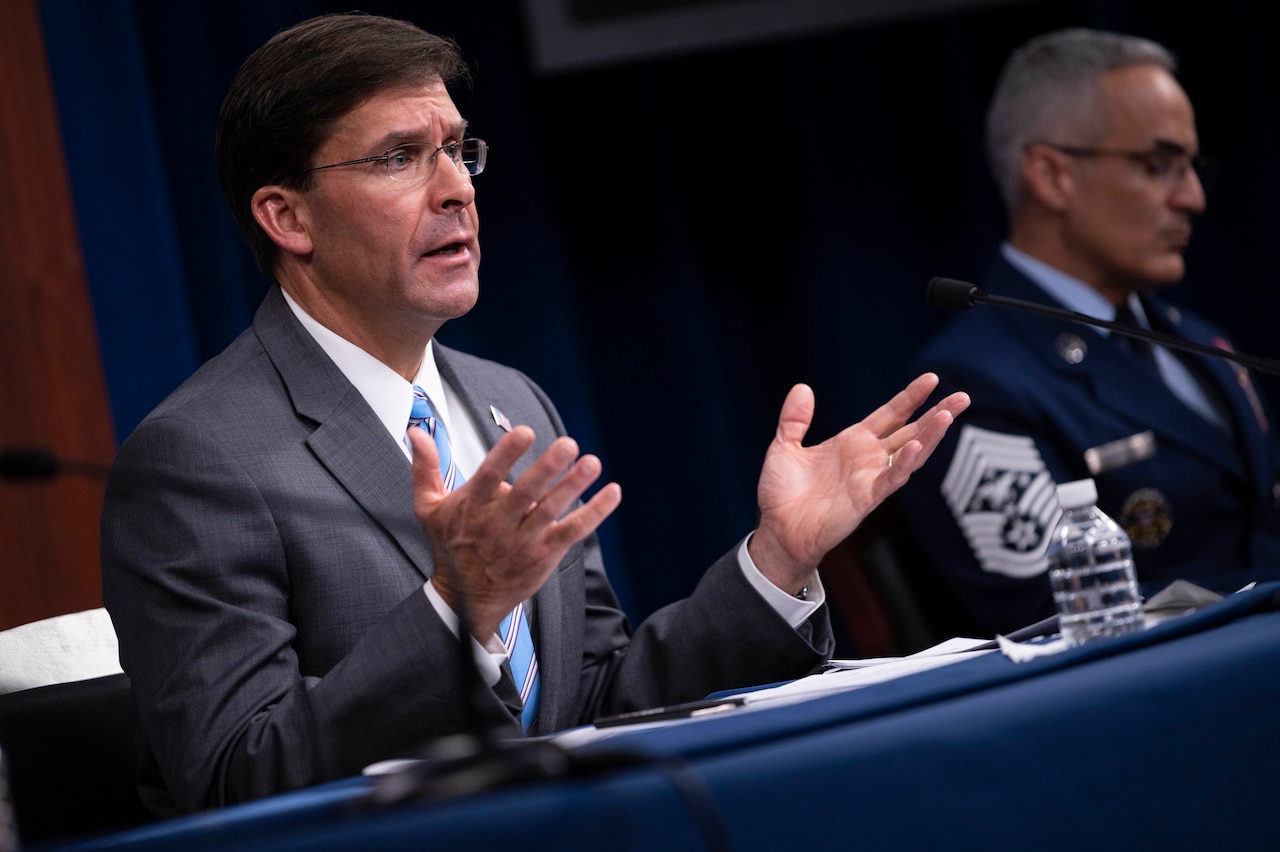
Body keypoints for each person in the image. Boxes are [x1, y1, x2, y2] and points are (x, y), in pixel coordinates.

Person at [100, 13, 969, 816]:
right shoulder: (200, 459)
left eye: (456, 151)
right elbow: (233, 782)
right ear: (286, 216)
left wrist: (777, 560)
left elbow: (593, 703)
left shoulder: (509, 401)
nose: (456, 191)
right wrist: (455, 609)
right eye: (399, 158)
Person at [900, 28, 1280, 637]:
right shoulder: (975, 388)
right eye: (1159, 166)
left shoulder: (1200, 340)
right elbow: (1061, 614)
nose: (1194, 197)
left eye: (1192, 166)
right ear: (1052, 177)